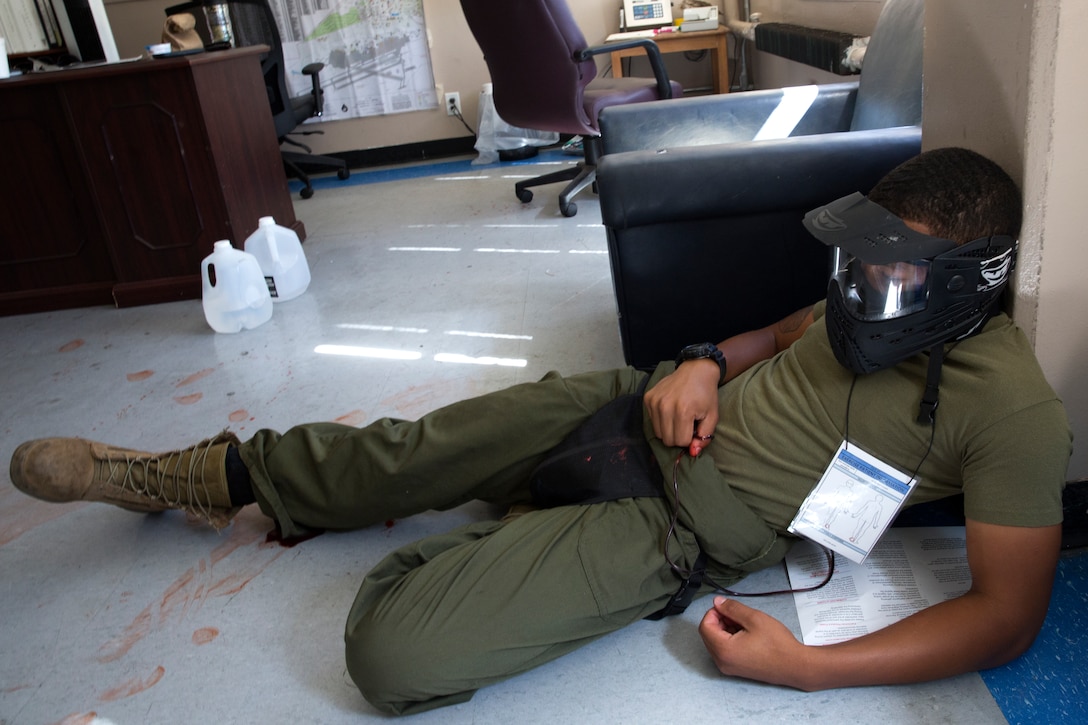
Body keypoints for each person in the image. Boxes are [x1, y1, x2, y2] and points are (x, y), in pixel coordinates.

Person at [9, 148, 1071, 715]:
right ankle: (188, 474)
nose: (858, 288)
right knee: (406, 448)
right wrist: (702, 358)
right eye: (858, 261)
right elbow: (780, 330)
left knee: (392, 654)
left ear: (962, 284)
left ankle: (507, 526)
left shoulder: (1008, 405)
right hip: (637, 399)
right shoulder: (854, 300)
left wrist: (810, 670)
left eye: (887, 273)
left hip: (680, 522)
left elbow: (1005, 615)